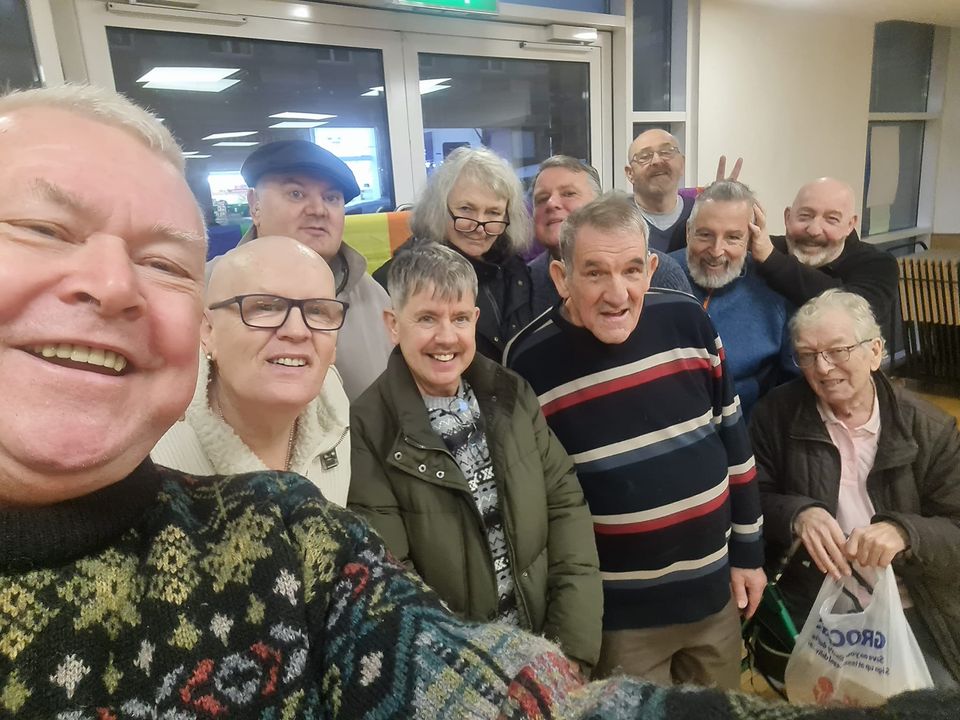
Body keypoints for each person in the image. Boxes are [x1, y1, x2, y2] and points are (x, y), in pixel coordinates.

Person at [3, 84, 958, 719]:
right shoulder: (435, 400)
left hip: (670, 600)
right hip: (620, 609)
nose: (110, 286)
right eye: (41, 229)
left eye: (160, 261)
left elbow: (480, 652)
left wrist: (580, 639)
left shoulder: (291, 515)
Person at [505, 191, 766, 689]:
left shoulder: (689, 321)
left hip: (714, 597)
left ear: (650, 270)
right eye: (595, 273)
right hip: (618, 619)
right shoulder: (528, 363)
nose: (617, 293)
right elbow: (536, 505)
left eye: (630, 270)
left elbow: (734, 441)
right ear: (561, 277)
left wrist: (749, 554)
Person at [350, 244, 602, 671]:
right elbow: (391, 578)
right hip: (452, 675)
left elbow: (566, 510)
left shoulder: (512, 394)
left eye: (460, 318)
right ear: (393, 324)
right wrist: (463, 678)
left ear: (475, 320)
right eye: (427, 318)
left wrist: (570, 650)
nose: (446, 337)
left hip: (544, 655)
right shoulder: (369, 427)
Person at [751, 289, 960, 688]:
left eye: (838, 351)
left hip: (912, 603)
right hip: (816, 600)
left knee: (929, 702)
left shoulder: (930, 428)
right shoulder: (775, 414)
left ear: (875, 351)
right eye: (807, 355)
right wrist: (797, 514)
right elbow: (749, 499)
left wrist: (905, 533)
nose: (823, 367)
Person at [152, 235, 351, 506]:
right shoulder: (149, 448)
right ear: (207, 330)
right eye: (265, 307)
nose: (297, 331)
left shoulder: (335, 404)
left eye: (317, 311)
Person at [235, 139, 393, 400]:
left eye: (331, 198)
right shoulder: (205, 292)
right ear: (255, 205)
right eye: (296, 194)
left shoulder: (375, 298)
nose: (318, 210)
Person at [373, 146, 533, 361]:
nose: (479, 225)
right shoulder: (395, 280)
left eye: (493, 212)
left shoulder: (515, 271)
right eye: (466, 209)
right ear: (438, 209)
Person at [672, 179, 797, 419]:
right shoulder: (657, 275)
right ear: (688, 232)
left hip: (746, 428)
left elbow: (791, 385)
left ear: (751, 239)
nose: (716, 251)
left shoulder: (775, 289)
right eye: (705, 235)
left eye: (732, 238)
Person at [530, 155, 690, 316]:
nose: (551, 203)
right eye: (542, 198)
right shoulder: (526, 281)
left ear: (598, 204)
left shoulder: (663, 274)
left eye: (568, 194)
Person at [748, 177, 899, 344]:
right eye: (805, 216)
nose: (814, 230)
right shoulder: (761, 248)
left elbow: (846, 308)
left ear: (850, 225)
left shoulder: (877, 264)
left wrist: (772, 260)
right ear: (788, 217)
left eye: (831, 219)